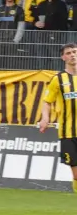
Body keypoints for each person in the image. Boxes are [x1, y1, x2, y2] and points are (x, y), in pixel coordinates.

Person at [36, 43, 77, 195]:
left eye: (74, 52)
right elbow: (47, 101)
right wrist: (45, 118)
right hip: (68, 133)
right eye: (69, 53)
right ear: (63, 57)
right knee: (76, 174)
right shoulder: (58, 79)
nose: (72, 55)